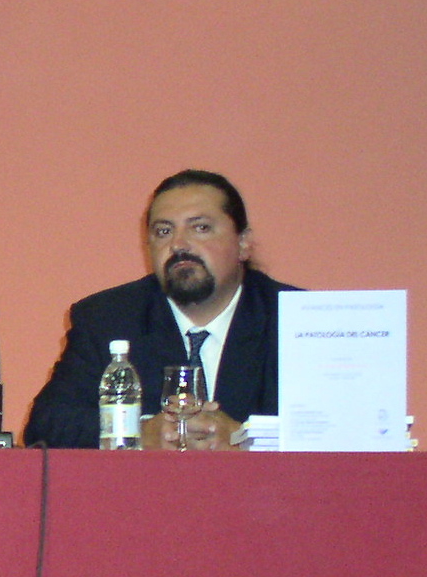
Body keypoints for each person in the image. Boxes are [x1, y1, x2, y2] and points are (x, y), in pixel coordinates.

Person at [23, 169, 300, 450]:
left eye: (200, 228)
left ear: (243, 243)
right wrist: (138, 433)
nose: (178, 244)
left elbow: (325, 430)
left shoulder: (297, 319)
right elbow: (46, 425)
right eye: (164, 231)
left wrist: (248, 438)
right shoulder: (108, 318)